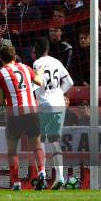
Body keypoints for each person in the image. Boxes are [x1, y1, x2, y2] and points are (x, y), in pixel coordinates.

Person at [0, 45, 45, 191]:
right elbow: (40, 82)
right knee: (37, 146)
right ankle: (41, 171)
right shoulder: (25, 67)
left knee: (12, 150)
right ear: (14, 57)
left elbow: (0, 101)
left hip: (14, 115)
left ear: (1, 59)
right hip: (31, 112)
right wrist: (39, 73)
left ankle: (16, 183)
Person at [32, 37, 74, 190]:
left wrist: (35, 97)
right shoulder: (57, 61)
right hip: (58, 102)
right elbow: (70, 82)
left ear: (36, 49)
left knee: (40, 140)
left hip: (45, 102)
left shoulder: (37, 63)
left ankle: (42, 174)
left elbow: (36, 83)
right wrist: (59, 93)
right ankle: (60, 177)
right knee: (54, 139)